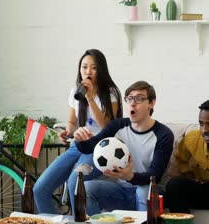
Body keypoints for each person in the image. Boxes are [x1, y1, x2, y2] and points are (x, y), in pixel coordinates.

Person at [34, 49, 122, 214]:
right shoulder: (75, 92)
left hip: (101, 147)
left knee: (75, 181)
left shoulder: (110, 93)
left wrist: (90, 97)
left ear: (101, 70)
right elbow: (72, 122)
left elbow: (107, 126)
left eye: (93, 68)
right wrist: (67, 132)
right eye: (84, 67)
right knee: (40, 189)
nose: (88, 71)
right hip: (79, 144)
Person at [73, 81, 174, 214]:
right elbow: (90, 146)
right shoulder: (117, 126)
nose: (132, 103)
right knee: (86, 189)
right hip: (121, 191)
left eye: (139, 99)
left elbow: (155, 175)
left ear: (151, 103)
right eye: (129, 98)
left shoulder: (164, 135)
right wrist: (79, 139)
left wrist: (130, 176)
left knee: (145, 192)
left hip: (150, 191)